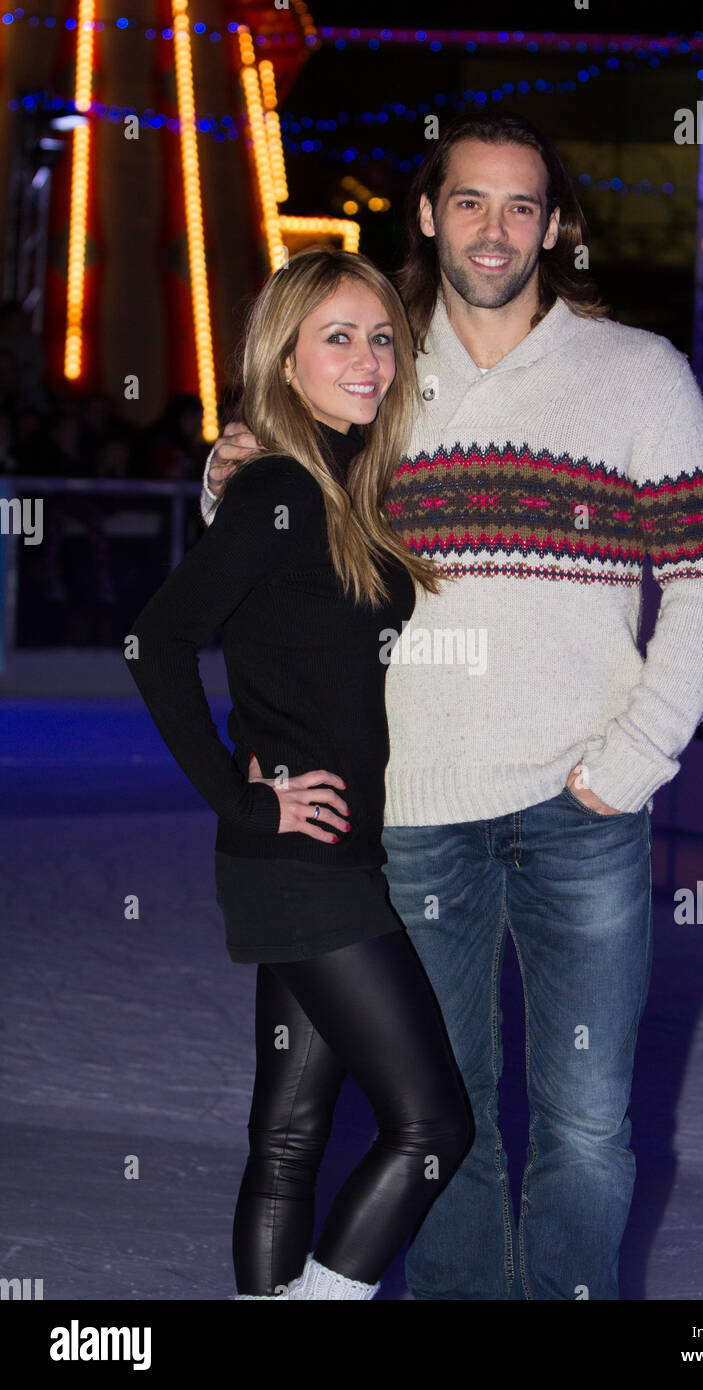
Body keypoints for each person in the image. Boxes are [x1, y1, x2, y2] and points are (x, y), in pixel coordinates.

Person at [202, 112, 703, 1300]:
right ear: (427, 215)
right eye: (467, 202)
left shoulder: (636, 374)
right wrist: (228, 476)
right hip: (411, 811)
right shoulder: (379, 378)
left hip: (582, 808)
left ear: (554, 226)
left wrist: (630, 761)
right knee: (450, 1126)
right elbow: (284, 526)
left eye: (518, 207)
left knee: (586, 1131)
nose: (492, 230)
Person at [126, 248, 473, 1300]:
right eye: (338, 337)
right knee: (431, 1124)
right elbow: (157, 641)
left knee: (289, 1132)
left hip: (325, 854)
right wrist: (243, 799)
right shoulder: (281, 485)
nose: (368, 359)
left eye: (380, 338)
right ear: (281, 358)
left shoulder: (326, 486)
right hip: (299, 856)